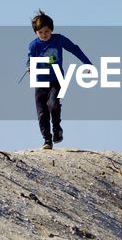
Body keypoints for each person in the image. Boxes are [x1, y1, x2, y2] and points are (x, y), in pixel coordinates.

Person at [26, 10, 91, 150]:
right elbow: (30, 60)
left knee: (53, 104)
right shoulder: (34, 45)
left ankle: (57, 130)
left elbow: (74, 49)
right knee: (42, 112)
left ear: (51, 30)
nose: (44, 35)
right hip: (40, 82)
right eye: (41, 32)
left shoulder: (59, 39)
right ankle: (47, 140)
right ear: (36, 32)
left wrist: (87, 63)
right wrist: (29, 67)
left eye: (47, 31)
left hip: (57, 80)